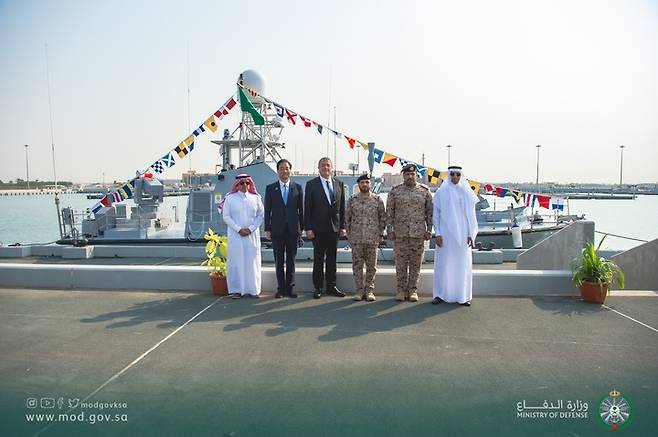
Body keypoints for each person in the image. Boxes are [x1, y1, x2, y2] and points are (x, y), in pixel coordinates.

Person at [432, 166, 479, 306]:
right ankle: (440, 295)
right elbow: (436, 215)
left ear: (461, 175)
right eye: (452, 174)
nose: (455, 177)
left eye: (458, 174)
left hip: (463, 234)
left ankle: (463, 296)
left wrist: (471, 234)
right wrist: (438, 233)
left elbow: (472, 217)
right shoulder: (441, 192)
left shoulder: (466, 193)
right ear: (448, 175)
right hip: (445, 235)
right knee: (443, 265)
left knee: (462, 265)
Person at [386, 163, 433, 302]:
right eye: (407, 174)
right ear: (403, 176)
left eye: (412, 174)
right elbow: (390, 213)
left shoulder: (425, 191)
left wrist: (429, 230)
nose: (410, 177)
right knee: (400, 264)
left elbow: (429, 213)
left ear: (416, 175)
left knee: (415, 264)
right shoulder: (395, 191)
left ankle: (413, 290)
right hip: (400, 234)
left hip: (418, 234)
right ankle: (400, 289)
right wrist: (389, 230)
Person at [304, 157, 346, 299]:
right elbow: (307, 208)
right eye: (323, 165)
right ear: (319, 168)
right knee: (318, 259)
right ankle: (318, 287)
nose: (325, 168)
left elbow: (342, 207)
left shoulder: (339, 184)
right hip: (317, 228)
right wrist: (308, 228)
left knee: (332, 259)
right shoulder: (311, 184)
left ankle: (331, 286)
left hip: (334, 228)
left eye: (328, 165)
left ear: (331, 167)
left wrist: (343, 226)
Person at [264, 159, 304, 298]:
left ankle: (290, 288)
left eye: (287, 168)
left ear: (290, 170)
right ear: (278, 171)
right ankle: (281, 288)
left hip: (293, 229)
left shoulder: (297, 188)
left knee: (291, 260)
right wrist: (267, 229)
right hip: (276, 230)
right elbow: (267, 210)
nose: (284, 171)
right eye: (281, 168)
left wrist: (302, 228)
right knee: (279, 260)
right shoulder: (270, 188)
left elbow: (301, 210)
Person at [221, 174, 264, 299]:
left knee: (252, 262)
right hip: (236, 236)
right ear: (237, 185)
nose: (245, 185)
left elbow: (260, 216)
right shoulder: (230, 198)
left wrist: (250, 229)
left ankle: (253, 290)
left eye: (247, 183)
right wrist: (238, 229)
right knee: (236, 262)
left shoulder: (256, 198)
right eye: (242, 183)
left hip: (252, 236)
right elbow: (226, 216)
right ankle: (236, 290)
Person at [345, 173, 386, 302]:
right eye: (362, 182)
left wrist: (380, 235)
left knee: (371, 266)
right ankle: (359, 290)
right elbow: (347, 219)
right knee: (357, 266)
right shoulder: (352, 200)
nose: (365, 184)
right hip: (356, 239)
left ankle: (369, 290)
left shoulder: (377, 200)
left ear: (370, 184)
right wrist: (349, 236)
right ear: (359, 185)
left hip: (372, 239)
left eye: (367, 182)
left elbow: (382, 218)